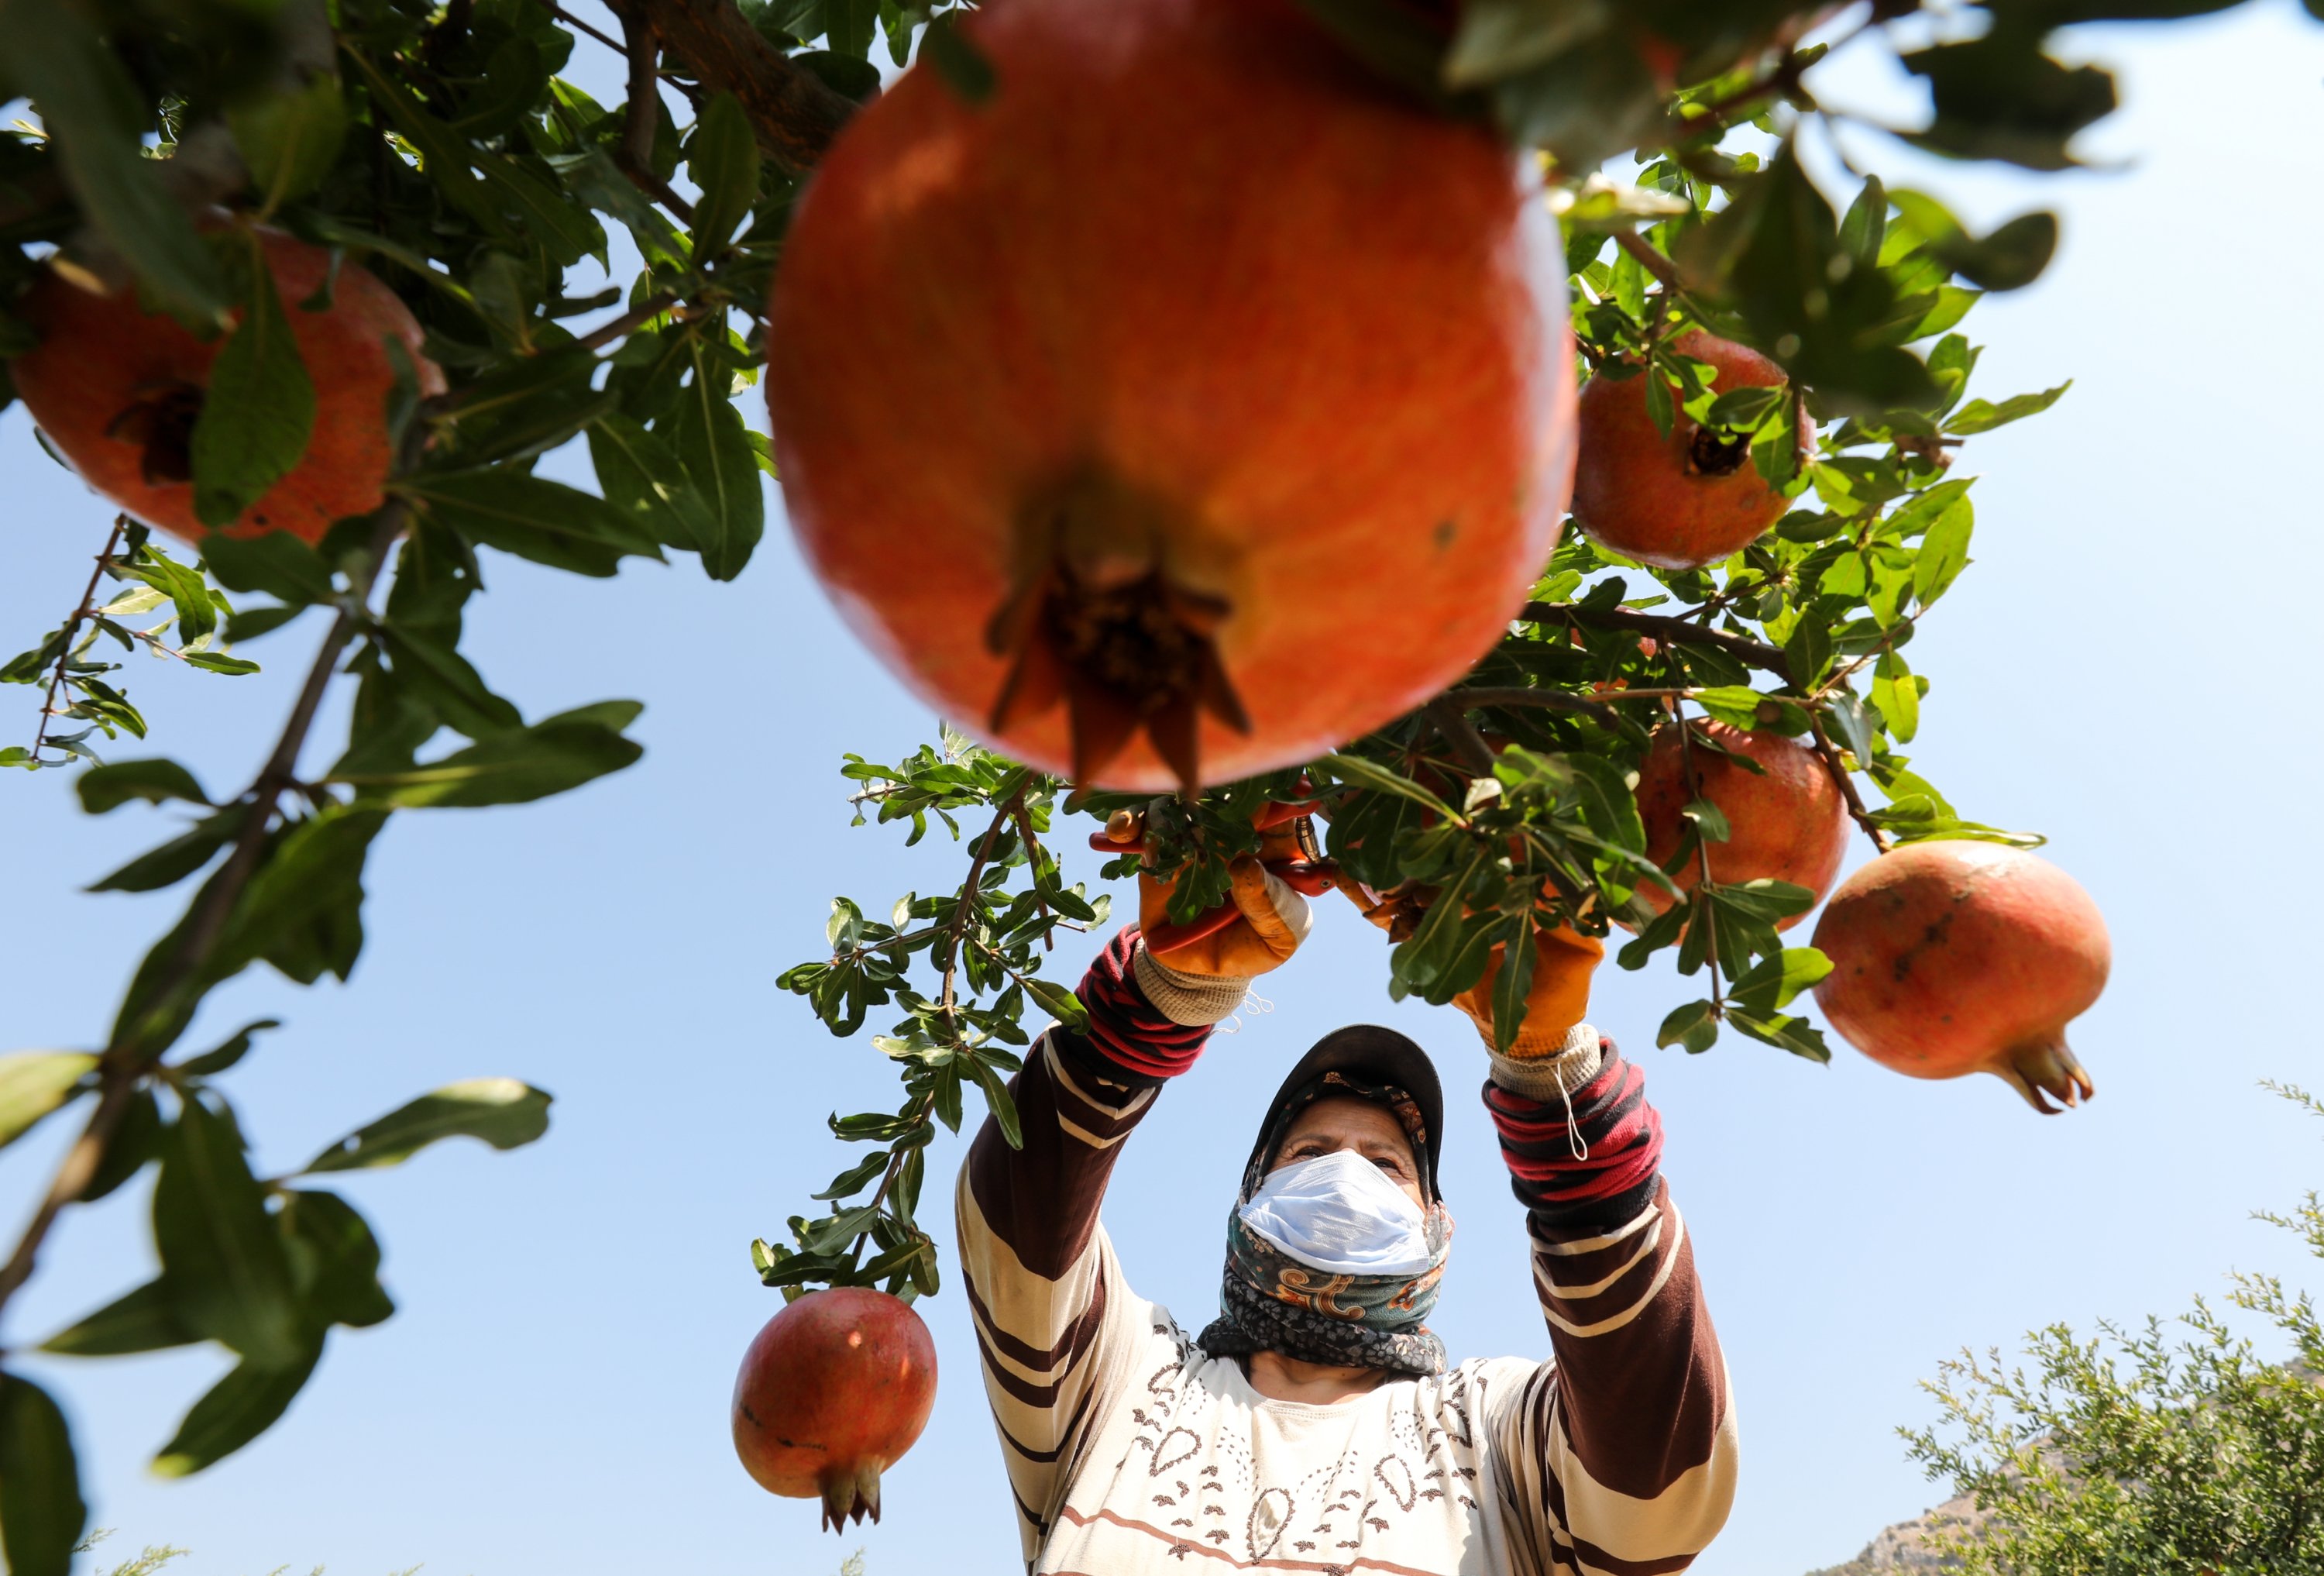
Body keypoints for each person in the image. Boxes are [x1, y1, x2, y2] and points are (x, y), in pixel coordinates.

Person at [955, 803, 1737, 1574]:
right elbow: (1015, 1231)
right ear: (1248, 1199)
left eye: (1388, 1164)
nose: (1346, 1172)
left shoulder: (1490, 1429)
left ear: (1439, 1225)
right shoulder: (1124, 1383)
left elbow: (1657, 1488)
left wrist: (1551, 1078)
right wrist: (1160, 1001)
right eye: (1310, 1152)